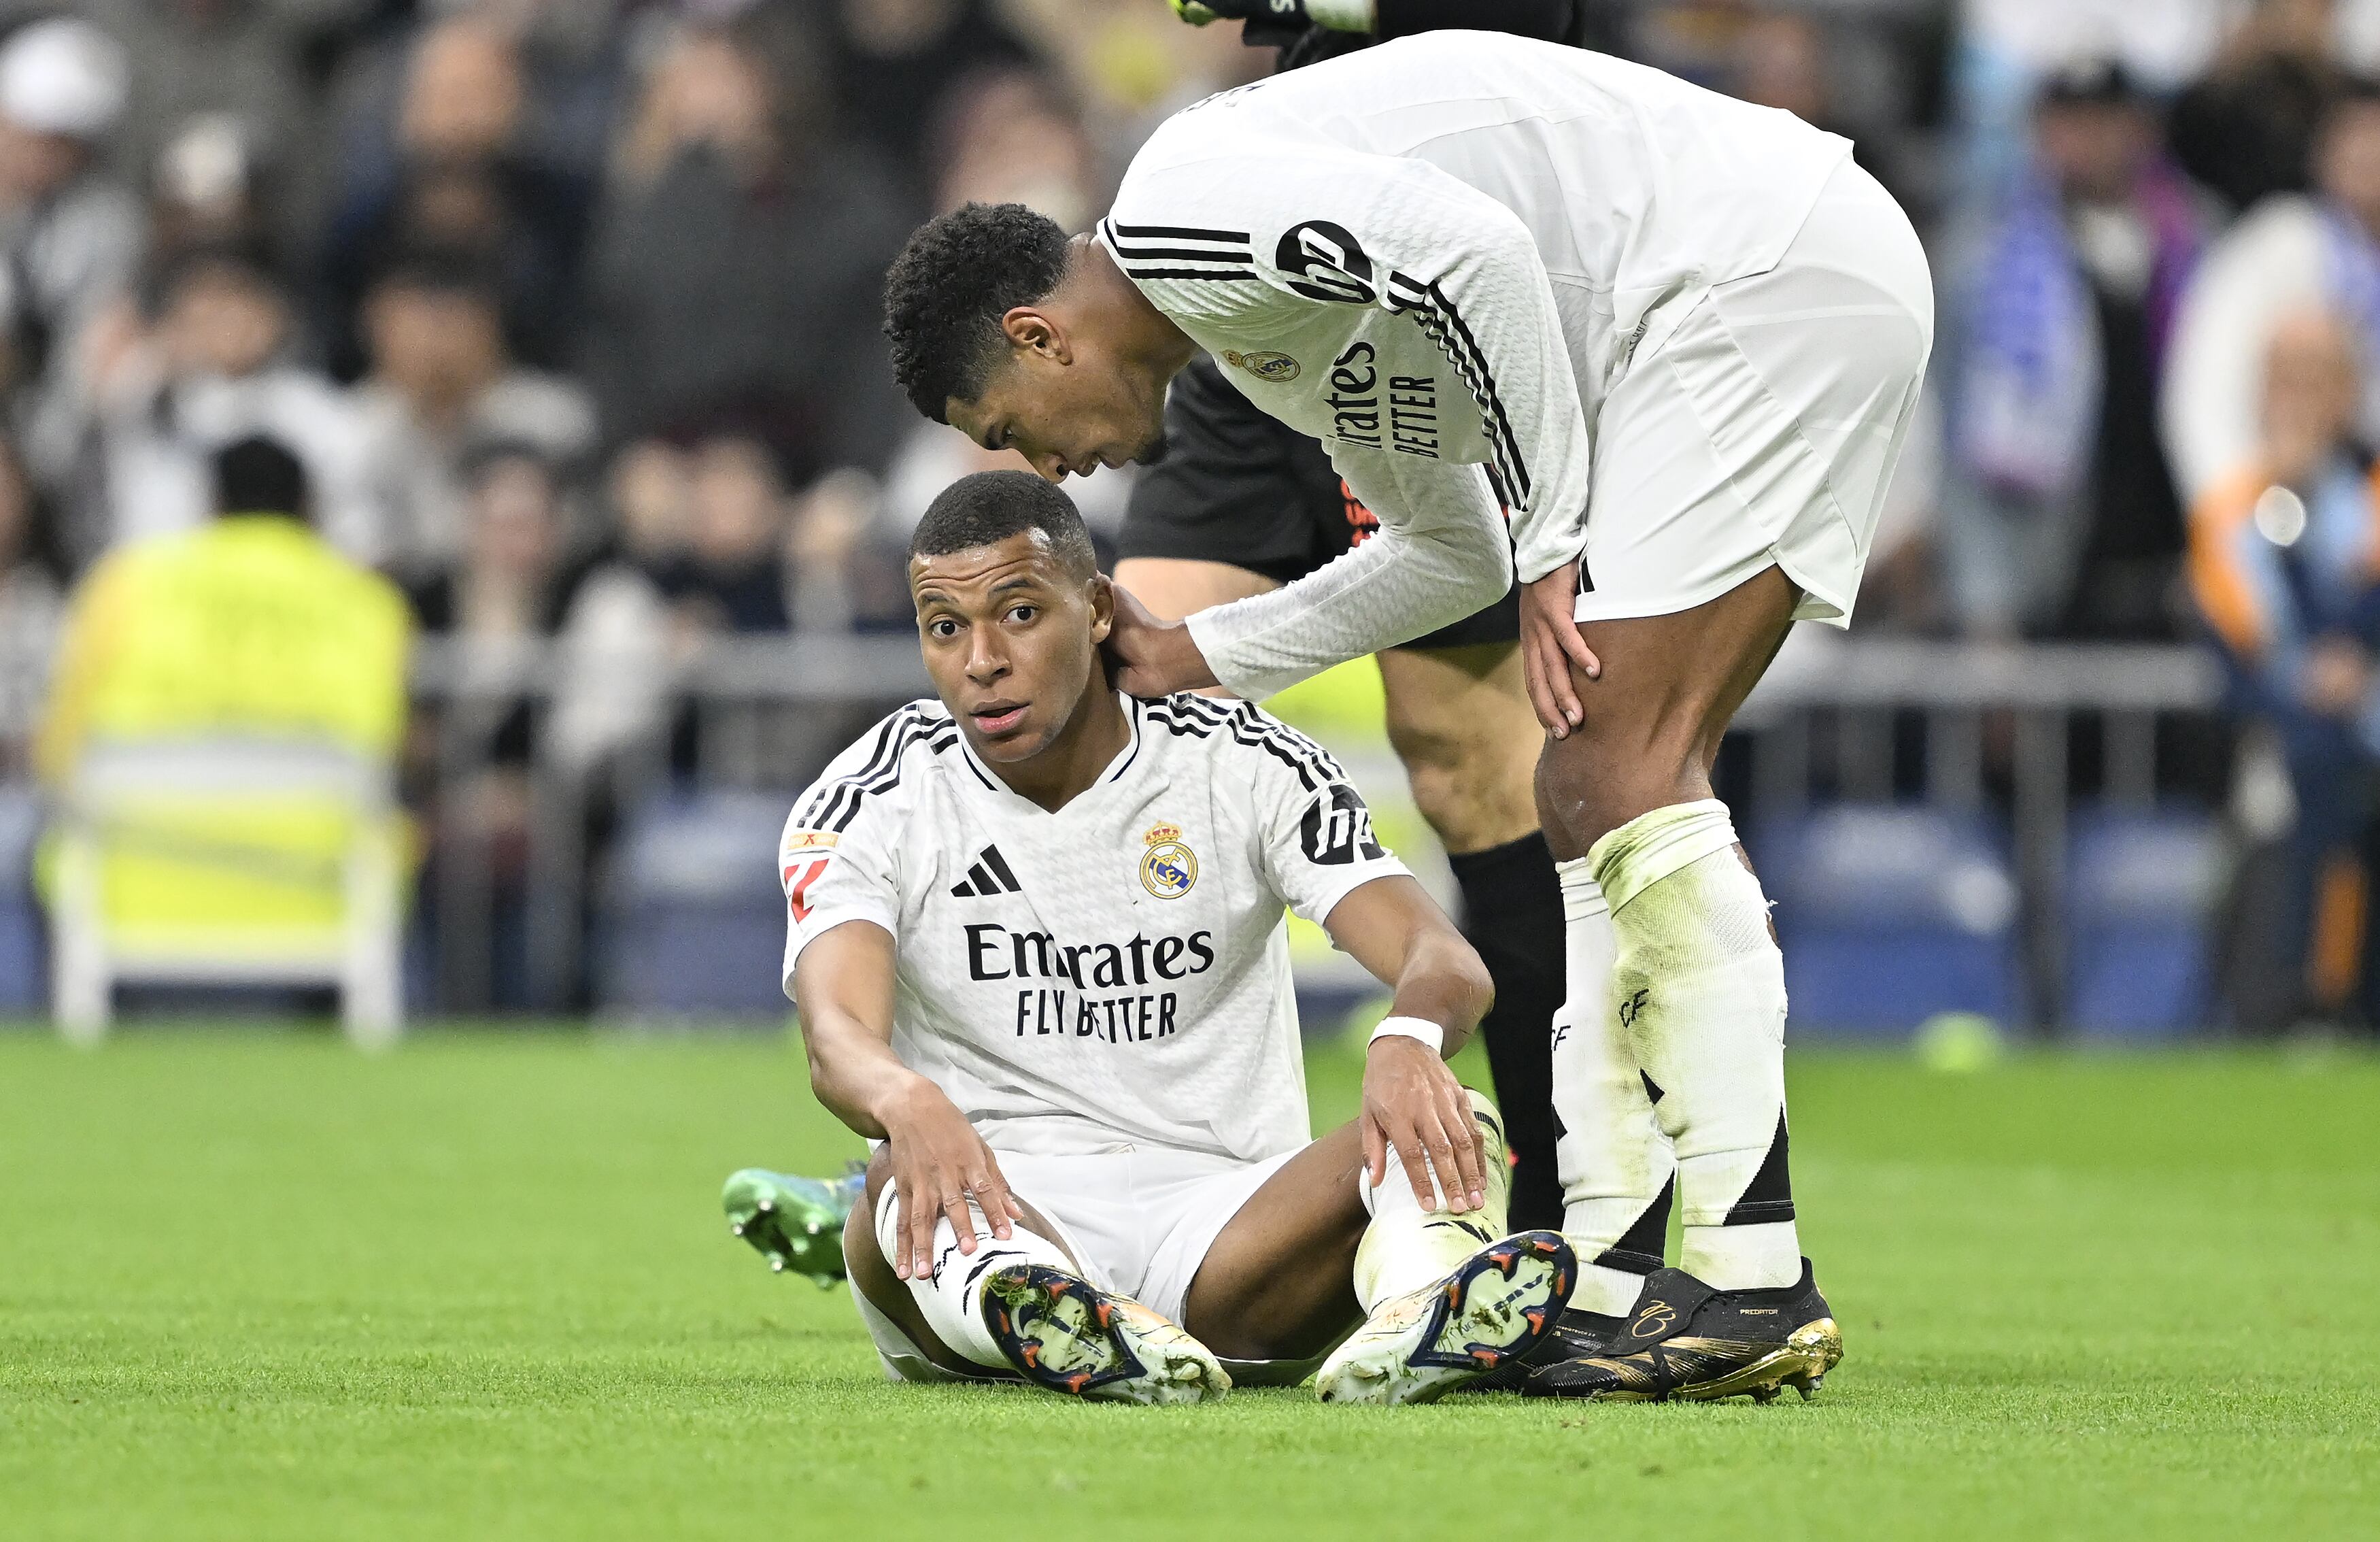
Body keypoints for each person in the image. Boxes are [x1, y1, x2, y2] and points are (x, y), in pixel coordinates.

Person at [880, 31, 1930, 1401]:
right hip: (1760, 277)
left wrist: (1556, 530)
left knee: (1615, 762)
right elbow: (1449, 552)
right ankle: (1611, 1278)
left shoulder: (1186, 209)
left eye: (1010, 422)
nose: (1043, 461)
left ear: (1039, 334)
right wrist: (1202, 648)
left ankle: (1752, 1270)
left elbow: (1481, 255)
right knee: (1589, 779)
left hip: (1755, 276)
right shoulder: (1259, 339)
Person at [735, 469, 1576, 1405]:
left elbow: (1441, 958)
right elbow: (836, 1031)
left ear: (1097, 608)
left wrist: (1408, 1037)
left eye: (1018, 613)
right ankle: (1044, 1305)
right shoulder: (874, 793)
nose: (981, 659)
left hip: (1231, 1233)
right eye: (945, 626)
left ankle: (1419, 1313)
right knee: (895, 1172)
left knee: (1451, 1109)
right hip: (999, 1200)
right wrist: (905, 1096)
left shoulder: (1239, 758)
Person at [1110, 0, 1584, 1239]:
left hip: (1414, 301)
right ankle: (1063, 1163)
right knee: (1113, 716)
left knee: (1474, 766)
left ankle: (1561, 1212)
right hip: (1257, 276)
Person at [1939, 59, 2208, 640]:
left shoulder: (2199, 244)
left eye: (2105, 121)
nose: (2087, 139)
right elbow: (1956, 444)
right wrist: (1986, 604)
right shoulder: (1985, 261)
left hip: (2180, 576)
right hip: (2051, 578)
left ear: (2142, 130)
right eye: (2069, 121)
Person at [2188, 309, 2380, 1028]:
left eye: (2317, 380)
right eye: (2284, 381)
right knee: (2306, 777)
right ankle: (2303, 1003)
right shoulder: (2227, 513)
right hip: (2284, 742)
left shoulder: (2370, 497)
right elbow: (2244, 648)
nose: (2299, 400)